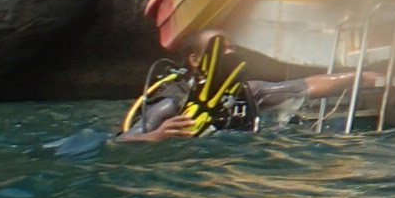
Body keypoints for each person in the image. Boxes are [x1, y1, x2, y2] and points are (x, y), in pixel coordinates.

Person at [115, 33, 376, 142]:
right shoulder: (173, 103)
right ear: (195, 60)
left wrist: (362, 77)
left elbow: (302, 87)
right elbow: (119, 144)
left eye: (232, 48)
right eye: (220, 48)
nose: (229, 53)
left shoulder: (249, 92)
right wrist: (157, 136)